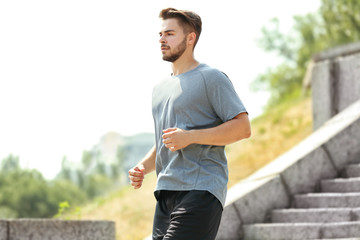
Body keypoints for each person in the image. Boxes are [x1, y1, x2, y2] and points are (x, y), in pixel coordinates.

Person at [128, 7, 251, 240]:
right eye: (160, 34)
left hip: (201, 189)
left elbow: (243, 128)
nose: (162, 39)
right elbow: (166, 140)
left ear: (190, 38)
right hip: (165, 193)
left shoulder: (211, 77)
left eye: (170, 33)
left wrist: (190, 137)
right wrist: (143, 167)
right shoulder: (159, 89)